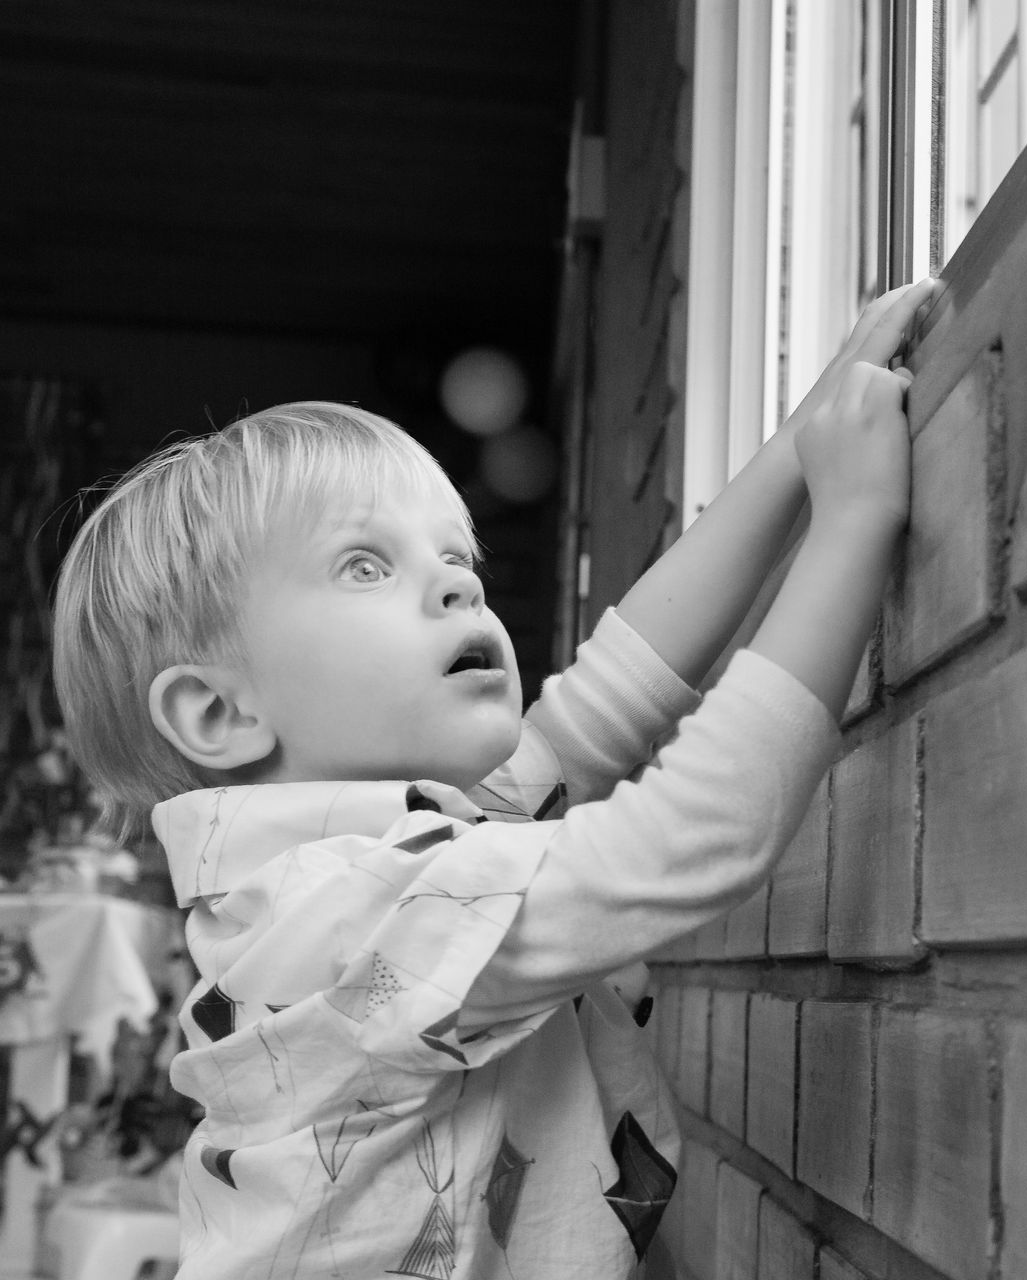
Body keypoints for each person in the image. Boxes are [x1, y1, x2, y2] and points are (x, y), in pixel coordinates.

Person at [50, 278, 941, 1279]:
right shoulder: (347, 912)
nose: (458, 580)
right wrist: (854, 523)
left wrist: (806, 439)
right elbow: (694, 833)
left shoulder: (403, 848)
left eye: (453, 552)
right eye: (364, 565)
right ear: (223, 714)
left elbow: (614, 693)